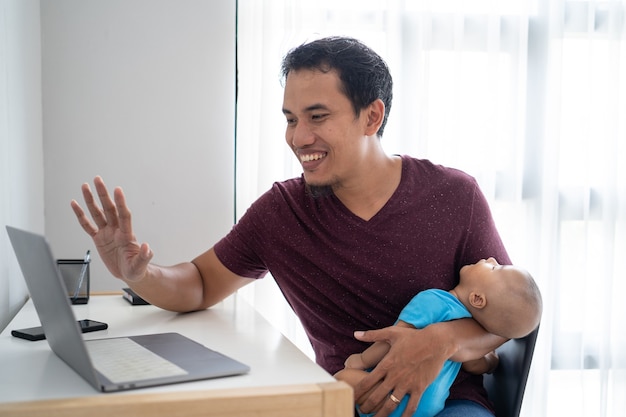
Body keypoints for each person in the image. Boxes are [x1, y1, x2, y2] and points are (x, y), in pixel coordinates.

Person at [71, 36, 538, 417]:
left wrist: (439, 341)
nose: (298, 138)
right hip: (346, 401)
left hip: (452, 404)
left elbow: (508, 318)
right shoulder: (282, 212)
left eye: (317, 117)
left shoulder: (454, 195)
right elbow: (197, 284)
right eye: (291, 120)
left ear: (371, 116)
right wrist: (138, 275)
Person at [334, 258, 543, 417]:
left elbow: (394, 340)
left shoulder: (433, 300)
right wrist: (491, 363)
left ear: (477, 298)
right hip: (430, 407)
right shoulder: (468, 330)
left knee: (340, 381)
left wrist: (361, 360)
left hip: (397, 398)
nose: (492, 260)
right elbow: (475, 365)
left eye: (495, 268)